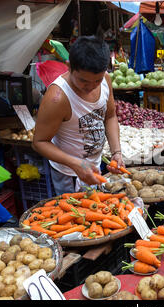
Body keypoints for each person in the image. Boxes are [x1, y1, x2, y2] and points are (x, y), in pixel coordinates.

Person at [32, 36, 124, 195]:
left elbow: (110, 116)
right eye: (83, 81)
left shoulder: (105, 80)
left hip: (94, 166)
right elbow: (39, 142)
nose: (91, 86)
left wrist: (116, 152)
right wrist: (76, 164)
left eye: (97, 80)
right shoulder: (57, 98)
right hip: (68, 174)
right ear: (69, 67)